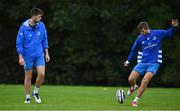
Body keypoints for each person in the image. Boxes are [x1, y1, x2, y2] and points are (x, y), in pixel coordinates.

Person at [124, 19, 178, 107]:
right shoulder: (140, 37)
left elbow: (169, 33)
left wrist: (173, 27)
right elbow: (134, 49)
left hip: (154, 62)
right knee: (131, 79)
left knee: (145, 80)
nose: (141, 33)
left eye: (142, 31)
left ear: (146, 29)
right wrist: (128, 60)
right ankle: (133, 87)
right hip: (143, 62)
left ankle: (135, 100)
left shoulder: (157, 33)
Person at [16, 8, 50, 103]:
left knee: (42, 74)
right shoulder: (23, 27)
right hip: (27, 56)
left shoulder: (42, 26)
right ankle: (27, 97)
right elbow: (19, 44)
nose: (40, 18)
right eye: (39, 16)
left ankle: (35, 92)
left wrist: (47, 53)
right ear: (33, 16)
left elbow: (45, 40)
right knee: (28, 76)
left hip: (39, 55)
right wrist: (20, 57)